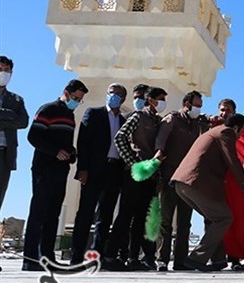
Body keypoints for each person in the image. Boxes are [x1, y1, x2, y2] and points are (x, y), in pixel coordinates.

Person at [172, 114, 244, 271]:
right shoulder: (225, 132)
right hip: (196, 184)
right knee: (223, 218)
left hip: (182, 183)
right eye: (242, 131)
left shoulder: (212, 131)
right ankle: (196, 259)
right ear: (236, 127)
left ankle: (218, 260)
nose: (241, 136)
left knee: (215, 218)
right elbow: (233, 161)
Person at [22, 79, 88, 271]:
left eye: (80, 100)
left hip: (61, 170)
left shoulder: (70, 115)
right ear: (66, 93)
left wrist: (71, 152)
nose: (76, 102)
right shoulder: (48, 109)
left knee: (53, 213)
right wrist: (54, 151)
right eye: (75, 97)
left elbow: (65, 141)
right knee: (39, 211)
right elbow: (33, 136)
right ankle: (30, 258)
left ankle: (47, 257)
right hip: (44, 167)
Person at [104, 86, 167, 271]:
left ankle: (134, 258)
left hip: (152, 174)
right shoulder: (138, 116)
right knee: (125, 214)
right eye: (160, 99)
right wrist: (133, 163)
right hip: (136, 172)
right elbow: (120, 137)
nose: (162, 102)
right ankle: (110, 256)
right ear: (151, 100)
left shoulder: (159, 121)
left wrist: (159, 177)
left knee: (143, 218)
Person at [70, 83, 128, 265]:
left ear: (124, 99)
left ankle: (97, 256)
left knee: (106, 215)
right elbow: (83, 142)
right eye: (111, 93)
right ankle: (77, 256)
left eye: (118, 94)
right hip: (94, 170)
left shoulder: (124, 121)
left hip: (114, 170)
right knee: (86, 213)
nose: (114, 96)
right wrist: (82, 168)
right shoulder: (93, 113)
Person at [153, 90, 205, 271]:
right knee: (165, 221)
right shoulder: (172, 119)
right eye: (196, 105)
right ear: (186, 103)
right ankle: (161, 259)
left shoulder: (198, 123)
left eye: (200, 106)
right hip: (169, 177)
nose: (198, 109)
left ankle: (181, 261)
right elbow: (161, 141)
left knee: (185, 223)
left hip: (188, 181)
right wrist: (158, 153)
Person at [0, 55, 29, 212]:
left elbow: (23, 122)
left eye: (6, 70)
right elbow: (15, 119)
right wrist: (10, 115)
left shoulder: (17, 100)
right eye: (0, 69)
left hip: (5, 154)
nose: (3, 73)